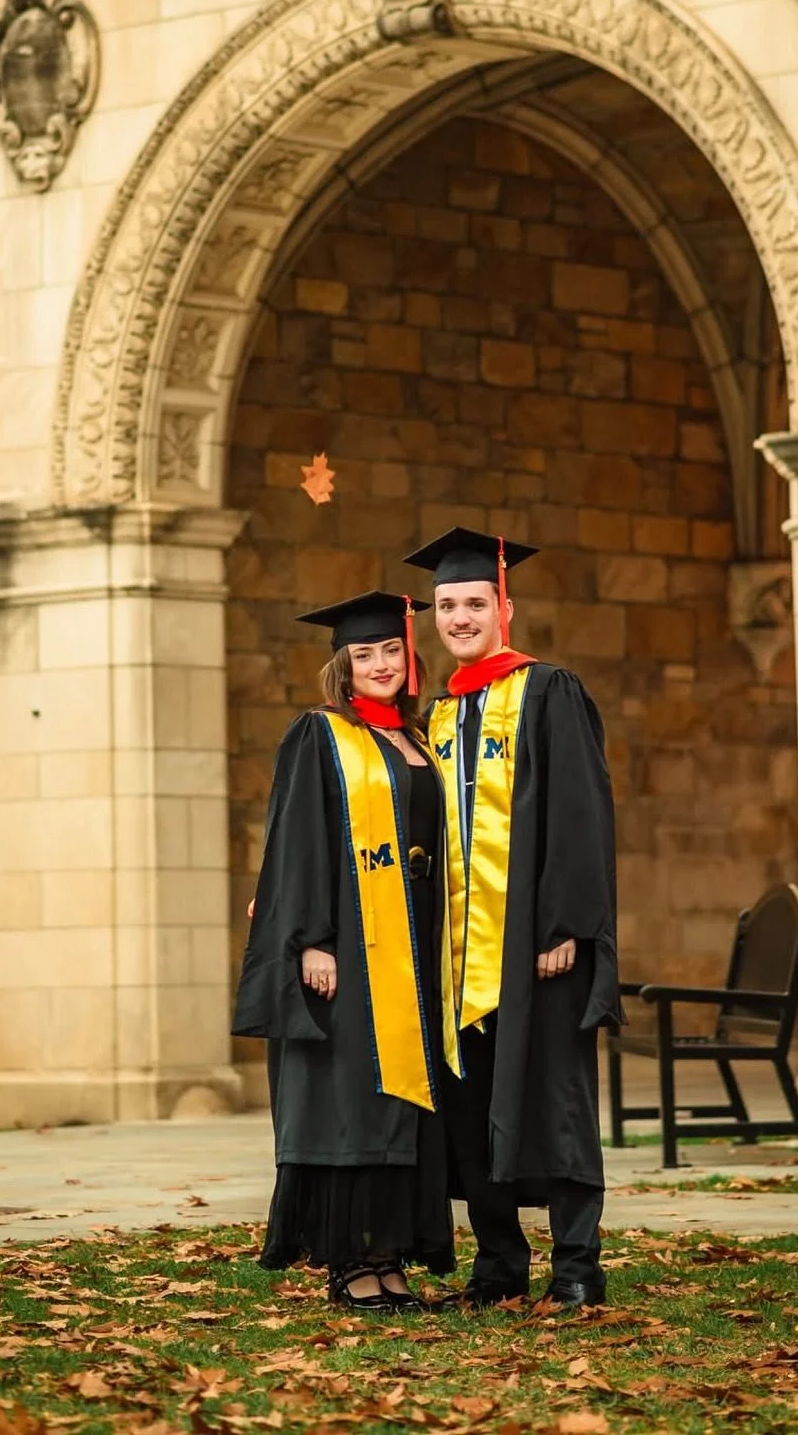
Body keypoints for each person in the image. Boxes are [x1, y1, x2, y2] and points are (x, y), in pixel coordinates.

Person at [403, 526, 619, 1310]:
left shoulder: (549, 691)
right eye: (446, 606)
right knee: (470, 1109)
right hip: (457, 961)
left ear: (505, 608)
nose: (459, 618)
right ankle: (498, 1265)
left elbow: (581, 813)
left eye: (474, 603)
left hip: (535, 950)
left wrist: (564, 925)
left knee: (557, 1103)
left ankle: (577, 1267)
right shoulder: (437, 718)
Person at [231, 590, 453, 1313]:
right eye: (365, 654)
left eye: (391, 650)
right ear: (343, 666)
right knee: (350, 1103)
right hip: (352, 946)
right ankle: (350, 1265)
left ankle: (389, 1258)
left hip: (413, 946)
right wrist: (312, 941)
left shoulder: (419, 740)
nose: (381, 663)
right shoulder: (320, 734)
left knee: (399, 1101)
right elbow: (297, 842)